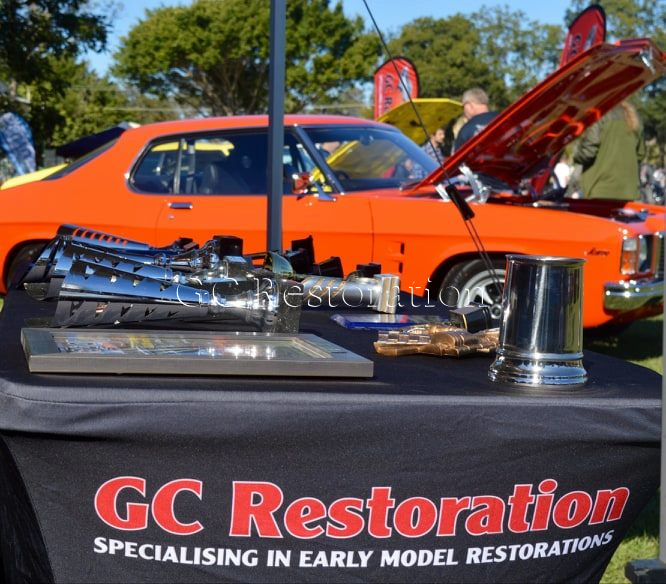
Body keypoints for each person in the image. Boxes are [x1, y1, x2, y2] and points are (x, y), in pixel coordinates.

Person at [573, 101, 645, 200]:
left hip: (599, 189)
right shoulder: (634, 118)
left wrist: (576, 156)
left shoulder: (599, 114)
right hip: (628, 192)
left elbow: (588, 152)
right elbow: (640, 154)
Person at [453, 88, 498, 152]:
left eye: (463, 107)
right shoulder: (504, 118)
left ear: (469, 105)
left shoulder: (466, 130)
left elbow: (458, 157)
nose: (463, 111)